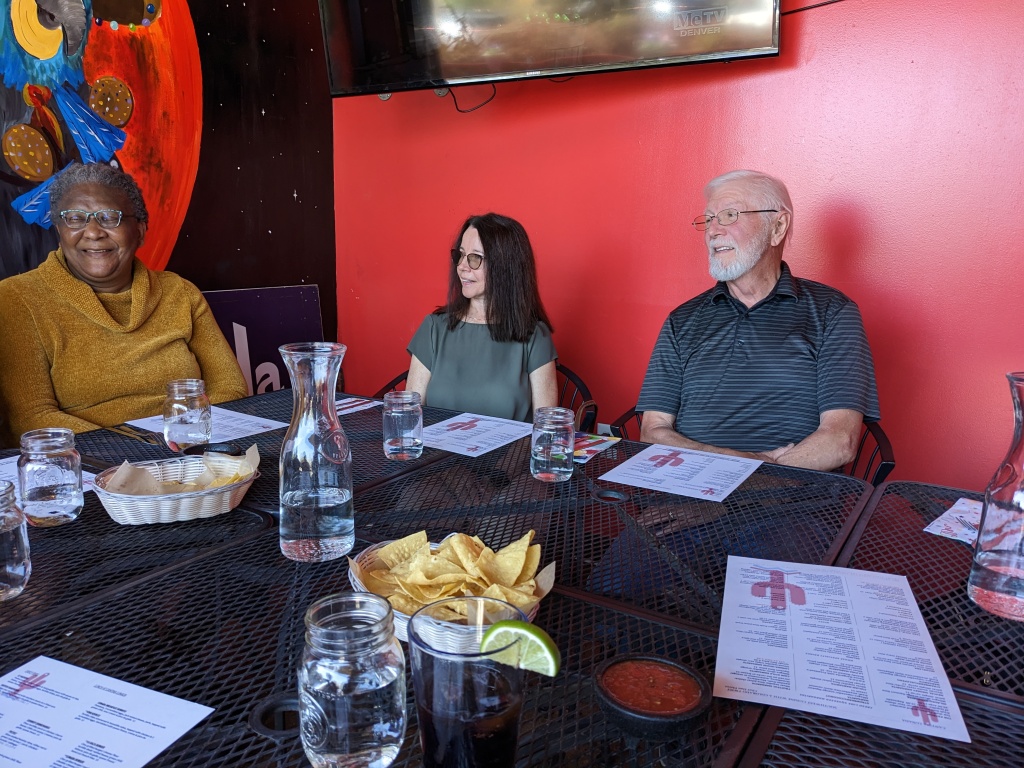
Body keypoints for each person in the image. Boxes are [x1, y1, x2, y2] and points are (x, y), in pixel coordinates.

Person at [637, 169, 880, 471]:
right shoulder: (682, 320)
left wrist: (751, 480)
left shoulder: (833, 312)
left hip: (791, 494)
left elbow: (840, 440)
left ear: (777, 227)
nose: (713, 231)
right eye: (709, 219)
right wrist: (737, 466)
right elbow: (653, 430)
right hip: (685, 485)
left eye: (729, 215)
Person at [0, 162, 248, 446]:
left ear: (140, 231)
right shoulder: (17, 298)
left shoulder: (179, 292)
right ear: (60, 231)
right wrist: (141, 447)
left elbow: (230, 387)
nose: (93, 232)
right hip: (88, 461)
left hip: (188, 450)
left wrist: (183, 439)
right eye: (75, 218)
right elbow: (32, 417)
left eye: (109, 218)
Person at [406, 213, 557, 421]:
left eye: (475, 258)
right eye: (460, 255)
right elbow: (409, 418)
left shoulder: (534, 336)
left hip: (514, 445)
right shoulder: (433, 328)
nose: (462, 266)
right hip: (437, 444)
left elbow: (547, 426)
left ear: (505, 266)